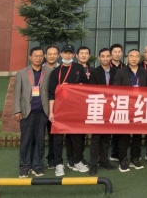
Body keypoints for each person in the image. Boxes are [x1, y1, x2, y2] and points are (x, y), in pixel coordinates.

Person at [48, 44, 89, 176]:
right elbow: (51, 93)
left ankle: (76, 161)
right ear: (61, 54)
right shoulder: (55, 72)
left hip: (75, 108)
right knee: (58, 138)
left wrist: (74, 86)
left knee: (76, 136)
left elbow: (86, 85)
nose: (67, 55)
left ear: (73, 55)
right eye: (65, 53)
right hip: (59, 109)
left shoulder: (79, 68)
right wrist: (51, 112)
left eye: (70, 53)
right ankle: (59, 164)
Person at [14, 47, 49, 178]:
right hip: (27, 112)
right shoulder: (22, 73)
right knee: (26, 141)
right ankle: (24, 167)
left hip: (42, 112)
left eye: (40, 56)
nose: (38, 58)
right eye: (36, 56)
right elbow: (17, 93)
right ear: (30, 57)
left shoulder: (48, 72)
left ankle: (37, 166)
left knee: (40, 141)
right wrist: (17, 110)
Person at [113, 48, 147, 172]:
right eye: (131, 56)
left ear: (140, 58)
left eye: (136, 56)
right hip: (125, 106)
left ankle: (135, 158)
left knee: (138, 134)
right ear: (127, 58)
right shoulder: (121, 72)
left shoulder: (144, 72)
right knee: (124, 135)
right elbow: (116, 89)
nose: (134, 58)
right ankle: (122, 159)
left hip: (139, 106)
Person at [87, 48, 117, 175]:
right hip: (98, 107)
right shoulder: (94, 72)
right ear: (99, 58)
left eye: (107, 56)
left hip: (112, 107)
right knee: (96, 138)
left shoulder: (116, 71)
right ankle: (93, 164)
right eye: (102, 56)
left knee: (106, 137)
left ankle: (104, 161)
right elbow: (91, 90)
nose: (105, 58)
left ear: (110, 57)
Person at [43, 45, 59, 169]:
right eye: (50, 54)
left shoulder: (61, 69)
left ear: (58, 56)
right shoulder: (39, 68)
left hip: (56, 108)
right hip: (41, 107)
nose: (52, 56)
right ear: (45, 56)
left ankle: (52, 158)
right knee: (38, 135)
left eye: (54, 54)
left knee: (53, 135)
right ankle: (35, 161)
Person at [108, 43, 123, 162]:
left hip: (121, 101)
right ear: (111, 53)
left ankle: (117, 153)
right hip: (107, 100)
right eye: (115, 52)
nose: (117, 54)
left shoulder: (125, 67)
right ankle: (103, 155)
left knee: (119, 128)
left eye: (119, 52)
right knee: (107, 129)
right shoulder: (106, 66)